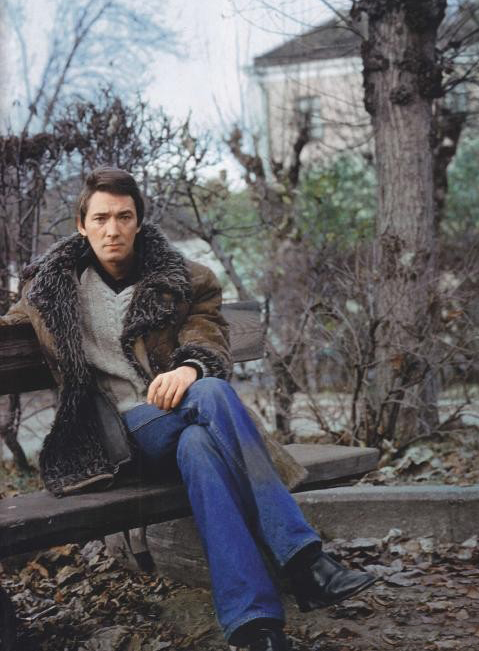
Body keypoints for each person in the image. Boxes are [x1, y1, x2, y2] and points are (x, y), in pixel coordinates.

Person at [1, 168, 376, 650]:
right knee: (214, 396)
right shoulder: (50, 289)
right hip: (113, 439)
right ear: (81, 225)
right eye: (101, 218)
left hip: (180, 419)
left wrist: (190, 367)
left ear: (139, 221)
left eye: (123, 216)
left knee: (200, 445)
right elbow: (10, 324)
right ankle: (305, 561)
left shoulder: (183, 280)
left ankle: (255, 625)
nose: (112, 229)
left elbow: (207, 335)